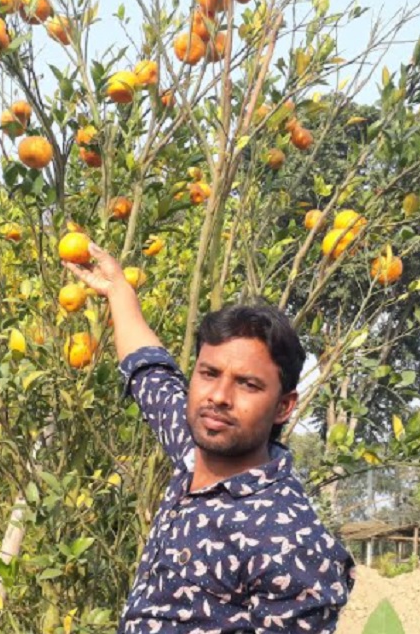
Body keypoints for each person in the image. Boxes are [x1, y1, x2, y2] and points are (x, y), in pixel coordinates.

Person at [65, 242, 356, 633]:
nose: (219, 396)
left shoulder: (290, 538)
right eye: (208, 374)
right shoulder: (193, 451)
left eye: (248, 384)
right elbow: (149, 371)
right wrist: (120, 292)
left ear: (284, 406)